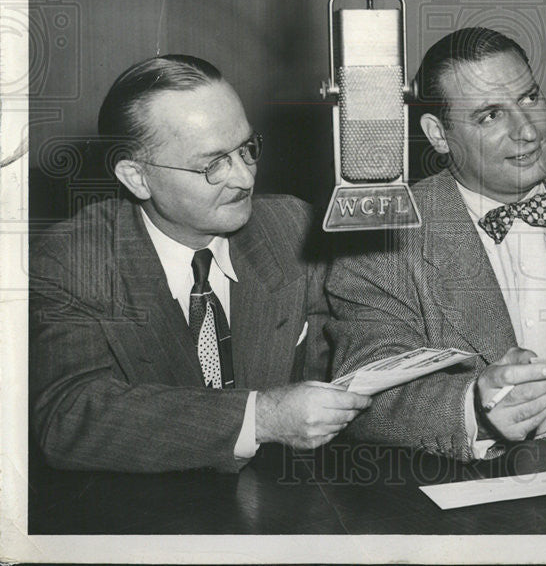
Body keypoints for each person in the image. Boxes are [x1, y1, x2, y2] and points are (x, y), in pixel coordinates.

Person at [29, 55, 370, 472]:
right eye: (212, 164)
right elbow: (67, 416)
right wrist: (259, 417)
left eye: (247, 149)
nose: (245, 178)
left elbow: (351, 354)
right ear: (136, 177)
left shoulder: (292, 228)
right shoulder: (73, 260)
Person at [325, 27, 546, 460]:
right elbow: (363, 400)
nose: (528, 131)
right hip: (454, 494)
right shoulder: (383, 237)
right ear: (438, 135)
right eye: (490, 115)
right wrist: (475, 403)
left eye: (529, 98)